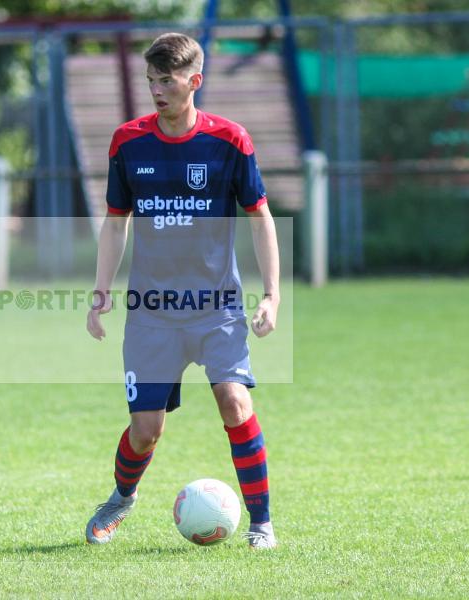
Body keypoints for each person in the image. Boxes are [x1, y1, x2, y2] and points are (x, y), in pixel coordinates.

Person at [84, 33, 281, 549]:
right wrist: (101, 290)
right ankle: (121, 498)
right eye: (150, 80)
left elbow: (260, 218)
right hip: (152, 312)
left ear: (195, 81)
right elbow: (115, 221)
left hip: (216, 308)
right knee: (146, 429)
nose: (156, 90)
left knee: (234, 403)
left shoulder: (230, 141)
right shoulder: (128, 141)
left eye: (166, 80)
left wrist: (272, 294)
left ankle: (262, 522)